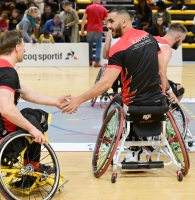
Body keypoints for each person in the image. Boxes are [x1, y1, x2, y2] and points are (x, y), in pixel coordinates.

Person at [61, 6, 168, 162]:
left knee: (118, 102)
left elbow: (106, 83)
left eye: (111, 21)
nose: (108, 26)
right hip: (158, 101)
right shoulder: (150, 38)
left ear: (124, 22)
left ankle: (133, 152)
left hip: (135, 104)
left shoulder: (118, 48)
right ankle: (145, 146)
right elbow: (162, 71)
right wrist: (162, 95)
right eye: (106, 22)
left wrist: (78, 100)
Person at [0, 29, 70, 186]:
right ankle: (32, 169)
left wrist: (55, 101)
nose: (25, 50)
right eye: (23, 46)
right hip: (1, 134)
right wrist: (33, 130)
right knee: (37, 120)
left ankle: (32, 164)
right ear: (17, 48)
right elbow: (6, 109)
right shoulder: (8, 73)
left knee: (32, 113)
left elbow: (27, 94)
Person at [154, 23, 188, 102]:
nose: (181, 43)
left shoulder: (154, 38)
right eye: (182, 40)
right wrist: (170, 92)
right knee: (179, 90)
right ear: (177, 37)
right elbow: (161, 72)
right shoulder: (166, 48)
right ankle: (167, 113)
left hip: (137, 79)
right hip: (151, 83)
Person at [80, 0, 108, 67]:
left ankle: (90, 60)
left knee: (90, 45)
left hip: (90, 29)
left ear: (93, 1)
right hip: (98, 29)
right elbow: (107, 21)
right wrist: (110, 30)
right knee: (98, 46)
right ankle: (97, 61)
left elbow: (84, 19)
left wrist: (82, 29)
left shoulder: (88, 7)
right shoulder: (104, 9)